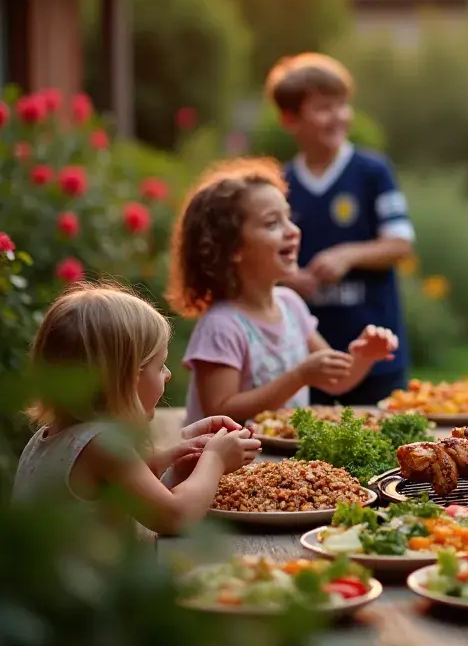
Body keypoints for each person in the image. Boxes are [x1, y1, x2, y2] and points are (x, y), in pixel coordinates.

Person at [13, 282, 261, 535]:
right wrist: (215, 459)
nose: (168, 374)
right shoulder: (103, 445)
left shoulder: (49, 438)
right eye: (160, 366)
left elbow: (121, 484)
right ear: (129, 377)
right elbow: (175, 518)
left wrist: (176, 458)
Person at [168, 157, 398, 424]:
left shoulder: (291, 305)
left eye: (289, 218)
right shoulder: (222, 326)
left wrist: (363, 357)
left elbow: (336, 380)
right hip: (224, 465)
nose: (293, 231)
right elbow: (220, 410)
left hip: (275, 464)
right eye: (272, 224)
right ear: (233, 249)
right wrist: (298, 377)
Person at [264, 53, 414, 406]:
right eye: (323, 108)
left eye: (343, 105)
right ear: (290, 119)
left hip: (378, 357)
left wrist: (348, 254)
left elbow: (400, 245)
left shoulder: (373, 172)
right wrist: (289, 278)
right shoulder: (279, 183)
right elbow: (258, 259)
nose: (339, 117)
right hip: (307, 360)